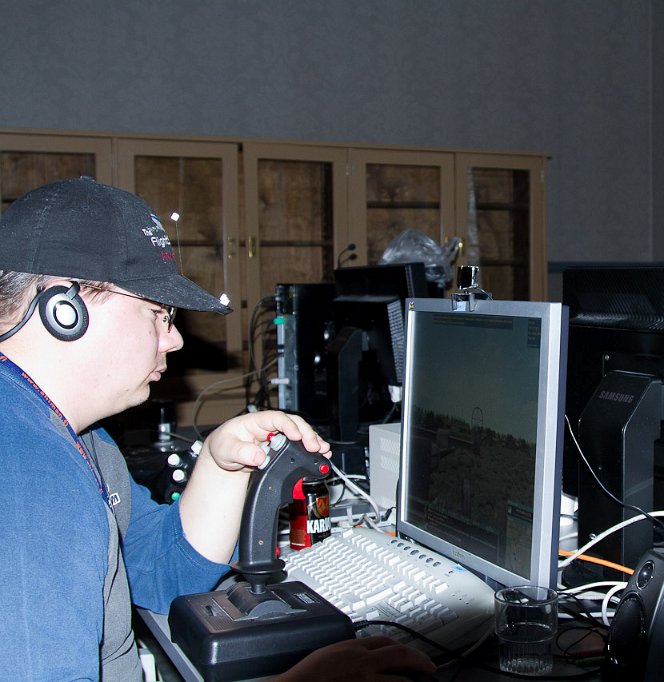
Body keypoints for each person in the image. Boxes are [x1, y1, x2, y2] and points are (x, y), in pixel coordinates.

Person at [0, 178, 435, 680]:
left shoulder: (80, 439)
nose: (175, 339)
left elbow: (158, 574)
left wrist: (219, 465)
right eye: (157, 313)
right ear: (64, 309)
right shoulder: (27, 473)